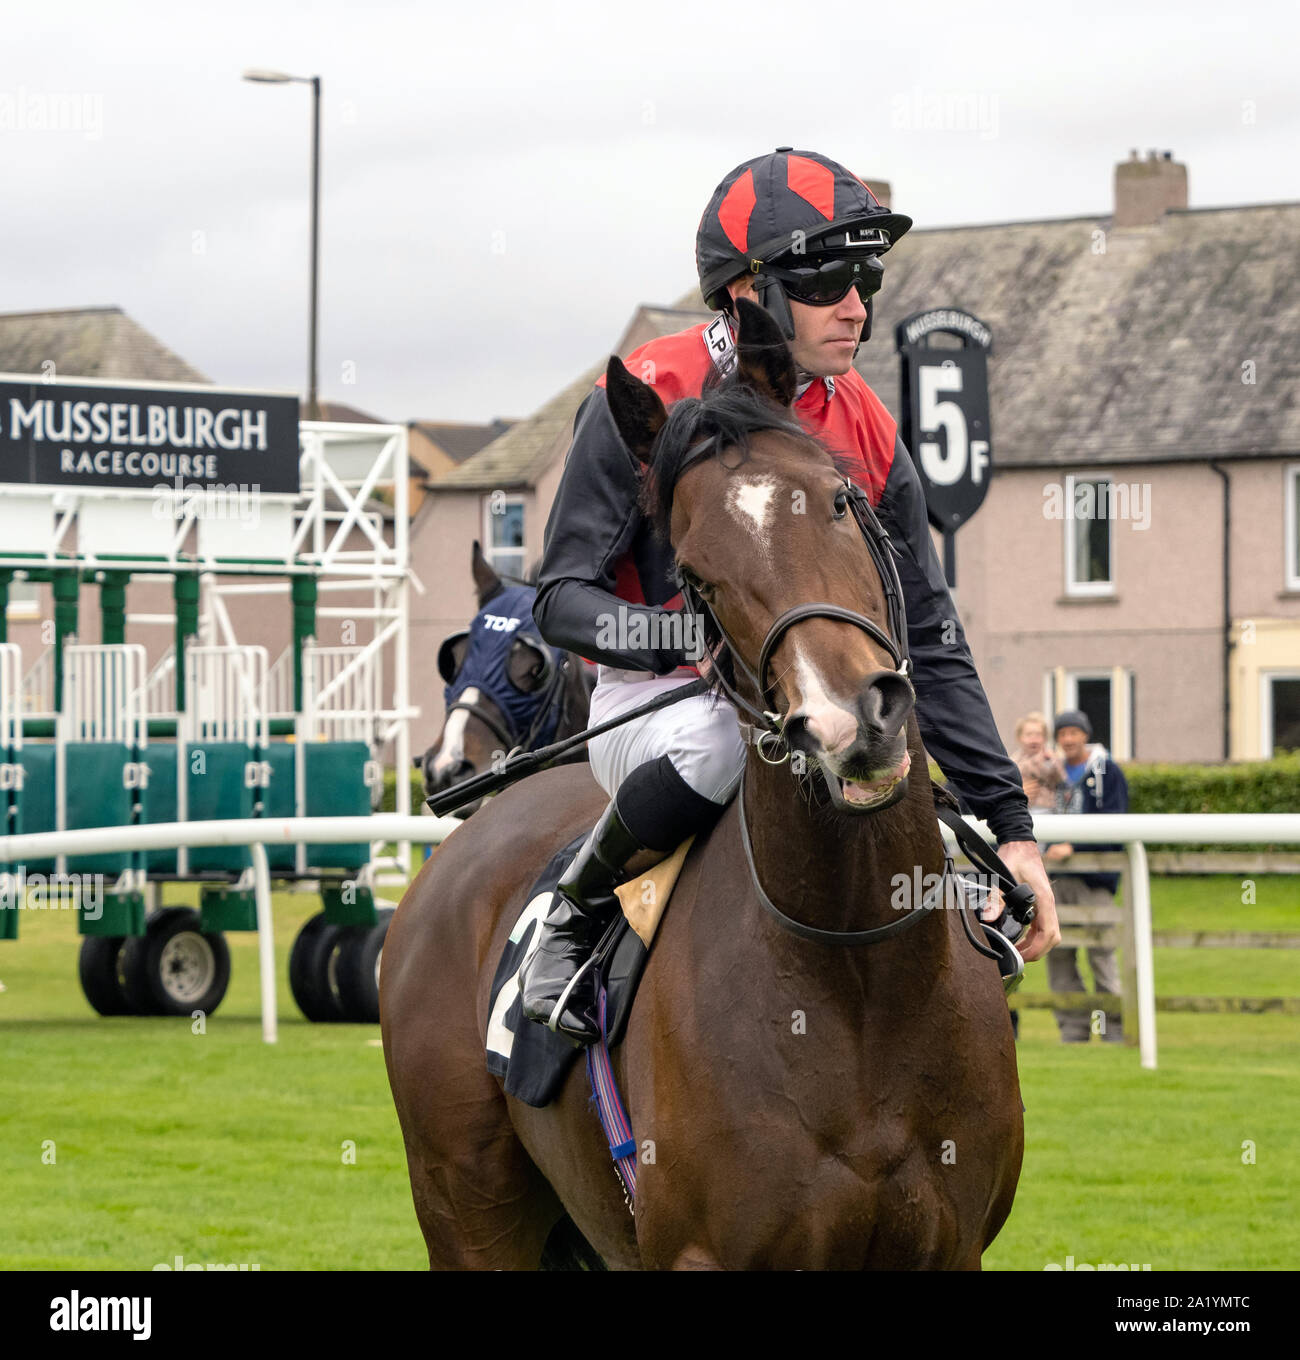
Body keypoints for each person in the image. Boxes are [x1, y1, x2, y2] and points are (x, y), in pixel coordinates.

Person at [520, 147, 1059, 1045]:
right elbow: (560, 599)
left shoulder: (869, 428)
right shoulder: (646, 394)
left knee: (879, 746)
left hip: (813, 690)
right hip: (661, 706)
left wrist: (1013, 829)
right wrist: (684, 637)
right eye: (829, 278)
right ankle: (574, 908)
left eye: (868, 275)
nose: (857, 304)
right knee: (724, 746)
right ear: (747, 293)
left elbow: (927, 632)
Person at [1041, 709, 1129, 1043]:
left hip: (1095, 879)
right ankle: (1073, 1032)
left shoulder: (1108, 772)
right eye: (1062, 734)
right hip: (1055, 878)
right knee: (1060, 956)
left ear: (1085, 735)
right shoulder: (1052, 772)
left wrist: (1074, 845)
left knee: (1102, 954)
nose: (1068, 739)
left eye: (1074, 733)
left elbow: (1115, 824)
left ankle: (1113, 1032)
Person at [1012, 711, 1065, 814]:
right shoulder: (1015, 759)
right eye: (1029, 734)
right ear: (1020, 738)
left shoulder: (1048, 756)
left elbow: (1058, 776)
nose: (1034, 738)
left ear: (1045, 738)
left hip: (1046, 807)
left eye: (1038, 734)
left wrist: (1051, 762)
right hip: (1022, 807)